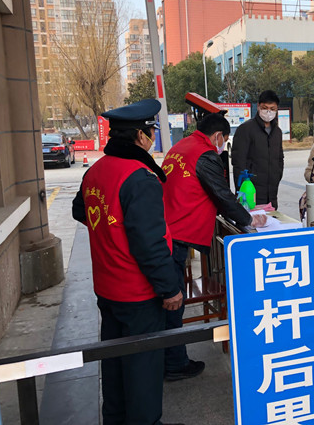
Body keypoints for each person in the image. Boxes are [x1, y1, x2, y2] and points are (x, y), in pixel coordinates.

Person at [72, 98, 184, 425]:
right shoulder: (140, 177)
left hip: (107, 287)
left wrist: (109, 232)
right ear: (139, 136)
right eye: (151, 131)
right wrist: (169, 289)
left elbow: (80, 211)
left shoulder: (96, 170)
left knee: (115, 364)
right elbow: (149, 243)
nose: (153, 137)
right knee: (143, 370)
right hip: (138, 293)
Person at [161, 113, 266, 378]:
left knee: (171, 300)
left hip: (167, 229)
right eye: (224, 141)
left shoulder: (181, 146)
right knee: (174, 302)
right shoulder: (205, 155)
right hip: (178, 234)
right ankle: (174, 364)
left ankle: (168, 359)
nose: (222, 147)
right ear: (218, 136)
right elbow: (221, 195)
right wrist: (248, 219)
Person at [231, 90, 284, 209]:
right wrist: (242, 192)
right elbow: (238, 162)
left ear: (277, 109)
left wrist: (277, 176)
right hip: (251, 194)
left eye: (272, 108)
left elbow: (280, 158)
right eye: (265, 108)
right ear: (259, 106)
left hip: (272, 194)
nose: (268, 112)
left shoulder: (277, 132)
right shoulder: (245, 129)